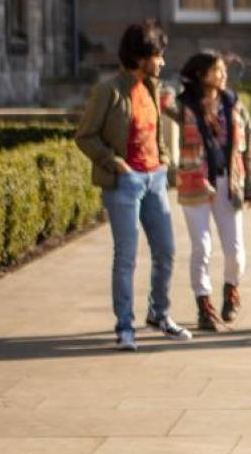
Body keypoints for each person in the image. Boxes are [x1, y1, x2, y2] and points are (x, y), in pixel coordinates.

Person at [74, 20, 191, 351]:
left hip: (155, 179)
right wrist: (116, 164)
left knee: (166, 250)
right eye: (158, 55)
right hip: (124, 183)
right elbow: (84, 136)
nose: (163, 62)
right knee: (126, 256)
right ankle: (124, 326)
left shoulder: (153, 87)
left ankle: (159, 314)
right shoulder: (108, 91)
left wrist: (165, 160)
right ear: (141, 56)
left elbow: (156, 129)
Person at [173, 51, 251, 331]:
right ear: (200, 74)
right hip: (194, 182)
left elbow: (249, 147)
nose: (222, 75)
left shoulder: (233, 104)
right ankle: (203, 303)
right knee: (202, 246)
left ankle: (231, 290)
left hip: (228, 182)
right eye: (216, 70)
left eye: (223, 70)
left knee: (234, 250)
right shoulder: (182, 105)